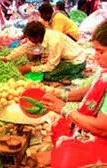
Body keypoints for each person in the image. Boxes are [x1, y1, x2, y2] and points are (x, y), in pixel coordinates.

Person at [43, 21, 107, 168]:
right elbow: (92, 89)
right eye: (95, 50)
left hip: (103, 132)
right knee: (60, 124)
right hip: (99, 125)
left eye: (101, 51)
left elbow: (102, 128)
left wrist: (65, 110)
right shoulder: (104, 69)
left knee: (66, 156)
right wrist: (62, 96)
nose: (96, 56)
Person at [1, 21, 86, 82]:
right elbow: (24, 47)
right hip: (65, 57)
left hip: (77, 61)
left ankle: (77, 74)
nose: (29, 40)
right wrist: (7, 58)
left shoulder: (54, 42)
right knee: (42, 67)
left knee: (48, 75)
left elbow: (50, 67)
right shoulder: (42, 35)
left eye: (29, 38)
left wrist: (29, 68)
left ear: (37, 37)